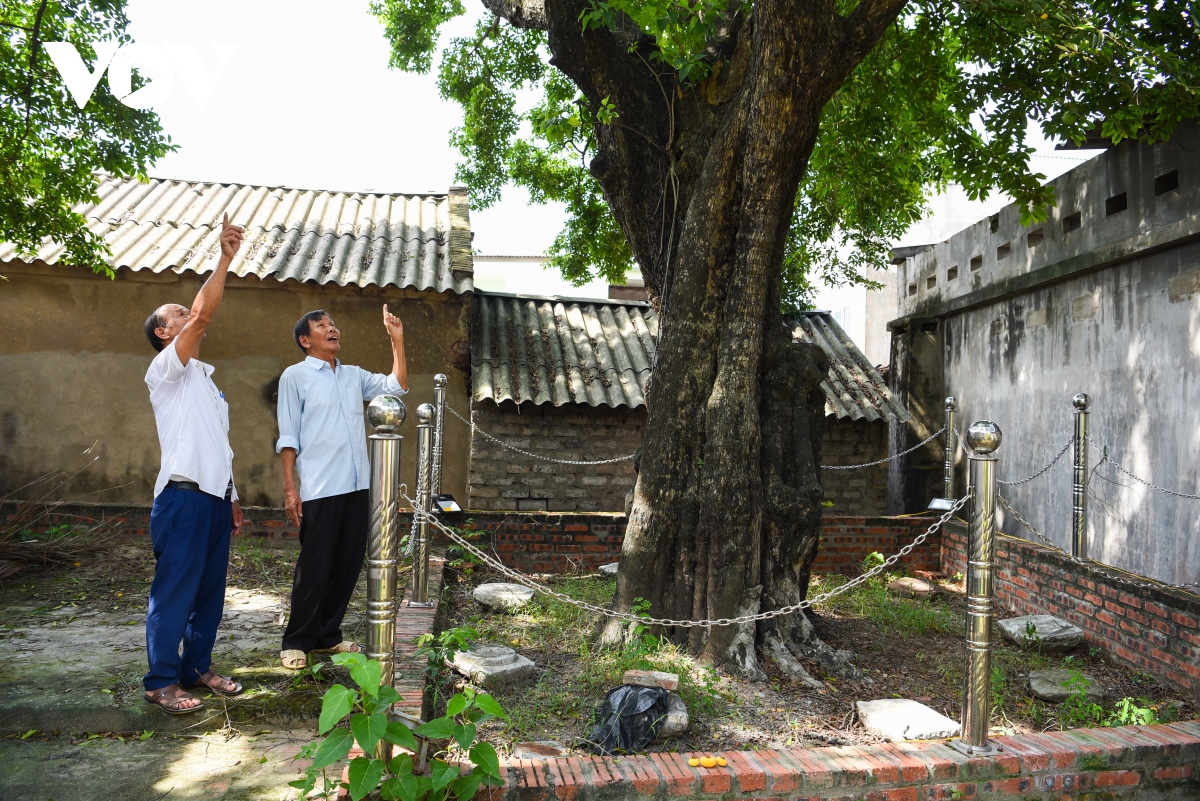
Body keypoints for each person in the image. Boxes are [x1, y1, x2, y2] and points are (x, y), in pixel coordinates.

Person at [141, 213, 246, 714]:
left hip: (214, 500)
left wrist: (234, 498)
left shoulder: (205, 380)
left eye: (187, 311)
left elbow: (218, 445)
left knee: (209, 594)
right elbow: (206, 316)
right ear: (164, 333)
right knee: (175, 593)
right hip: (181, 498)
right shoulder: (166, 371)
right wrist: (224, 259)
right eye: (178, 314)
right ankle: (160, 681)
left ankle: (195, 669)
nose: (190, 316)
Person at [276, 305, 408, 669]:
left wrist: (397, 342)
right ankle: (296, 639)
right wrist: (291, 488)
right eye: (322, 326)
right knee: (315, 567)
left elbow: (394, 389)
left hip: (357, 484)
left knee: (348, 564)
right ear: (306, 340)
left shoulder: (352, 376)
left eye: (333, 324)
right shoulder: (295, 377)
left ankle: (327, 636)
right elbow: (288, 436)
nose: (332, 329)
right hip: (320, 486)